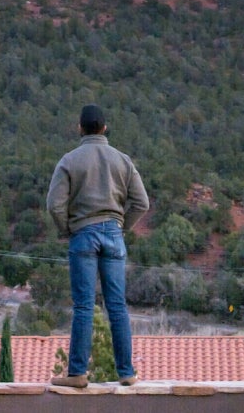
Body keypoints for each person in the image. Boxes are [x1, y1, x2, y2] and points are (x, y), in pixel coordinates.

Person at [46, 103, 149, 388]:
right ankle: (126, 373)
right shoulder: (123, 160)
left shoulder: (69, 160)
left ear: (79, 128)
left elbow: (54, 205)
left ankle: (77, 373)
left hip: (83, 235)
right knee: (117, 306)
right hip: (114, 234)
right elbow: (142, 202)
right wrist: (122, 227)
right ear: (104, 128)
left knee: (84, 306)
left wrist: (67, 229)